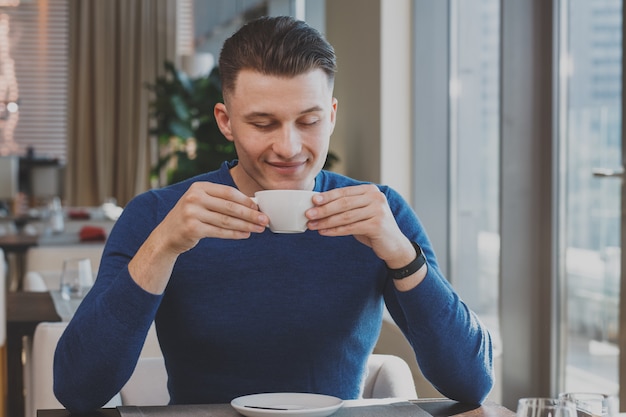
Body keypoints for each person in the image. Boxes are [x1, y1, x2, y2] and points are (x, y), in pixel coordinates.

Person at [53, 15, 494, 413]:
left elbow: (472, 383)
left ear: (332, 115)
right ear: (226, 122)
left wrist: (400, 252)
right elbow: (77, 390)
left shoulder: (380, 212)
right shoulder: (159, 216)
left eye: (309, 121)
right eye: (263, 123)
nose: (289, 147)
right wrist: (163, 246)